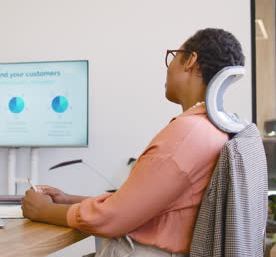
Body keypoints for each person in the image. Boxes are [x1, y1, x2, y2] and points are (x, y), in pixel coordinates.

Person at [22, 28, 245, 256]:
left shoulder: (188, 133)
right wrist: (68, 200)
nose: (168, 68)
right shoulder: (214, 129)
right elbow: (137, 206)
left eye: (173, 57)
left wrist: (43, 210)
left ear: (191, 61)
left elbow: (112, 218)